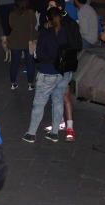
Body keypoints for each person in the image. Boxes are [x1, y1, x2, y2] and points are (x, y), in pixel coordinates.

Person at [23, 8, 74, 143]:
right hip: (64, 73)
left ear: (47, 19)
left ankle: (31, 133)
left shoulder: (45, 33)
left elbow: (39, 54)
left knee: (39, 104)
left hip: (48, 73)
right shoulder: (67, 31)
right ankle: (54, 132)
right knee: (58, 101)